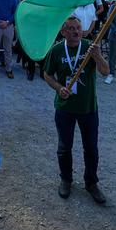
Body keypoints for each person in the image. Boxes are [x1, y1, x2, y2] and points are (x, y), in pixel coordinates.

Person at [43, 16, 109, 204]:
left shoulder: (90, 46)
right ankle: (66, 180)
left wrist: (97, 56)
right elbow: (47, 74)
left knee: (91, 149)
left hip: (88, 107)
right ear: (63, 32)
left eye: (78, 28)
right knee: (64, 147)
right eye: (71, 28)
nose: (76, 31)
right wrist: (58, 88)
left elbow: (105, 71)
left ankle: (91, 183)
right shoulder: (57, 50)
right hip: (65, 107)